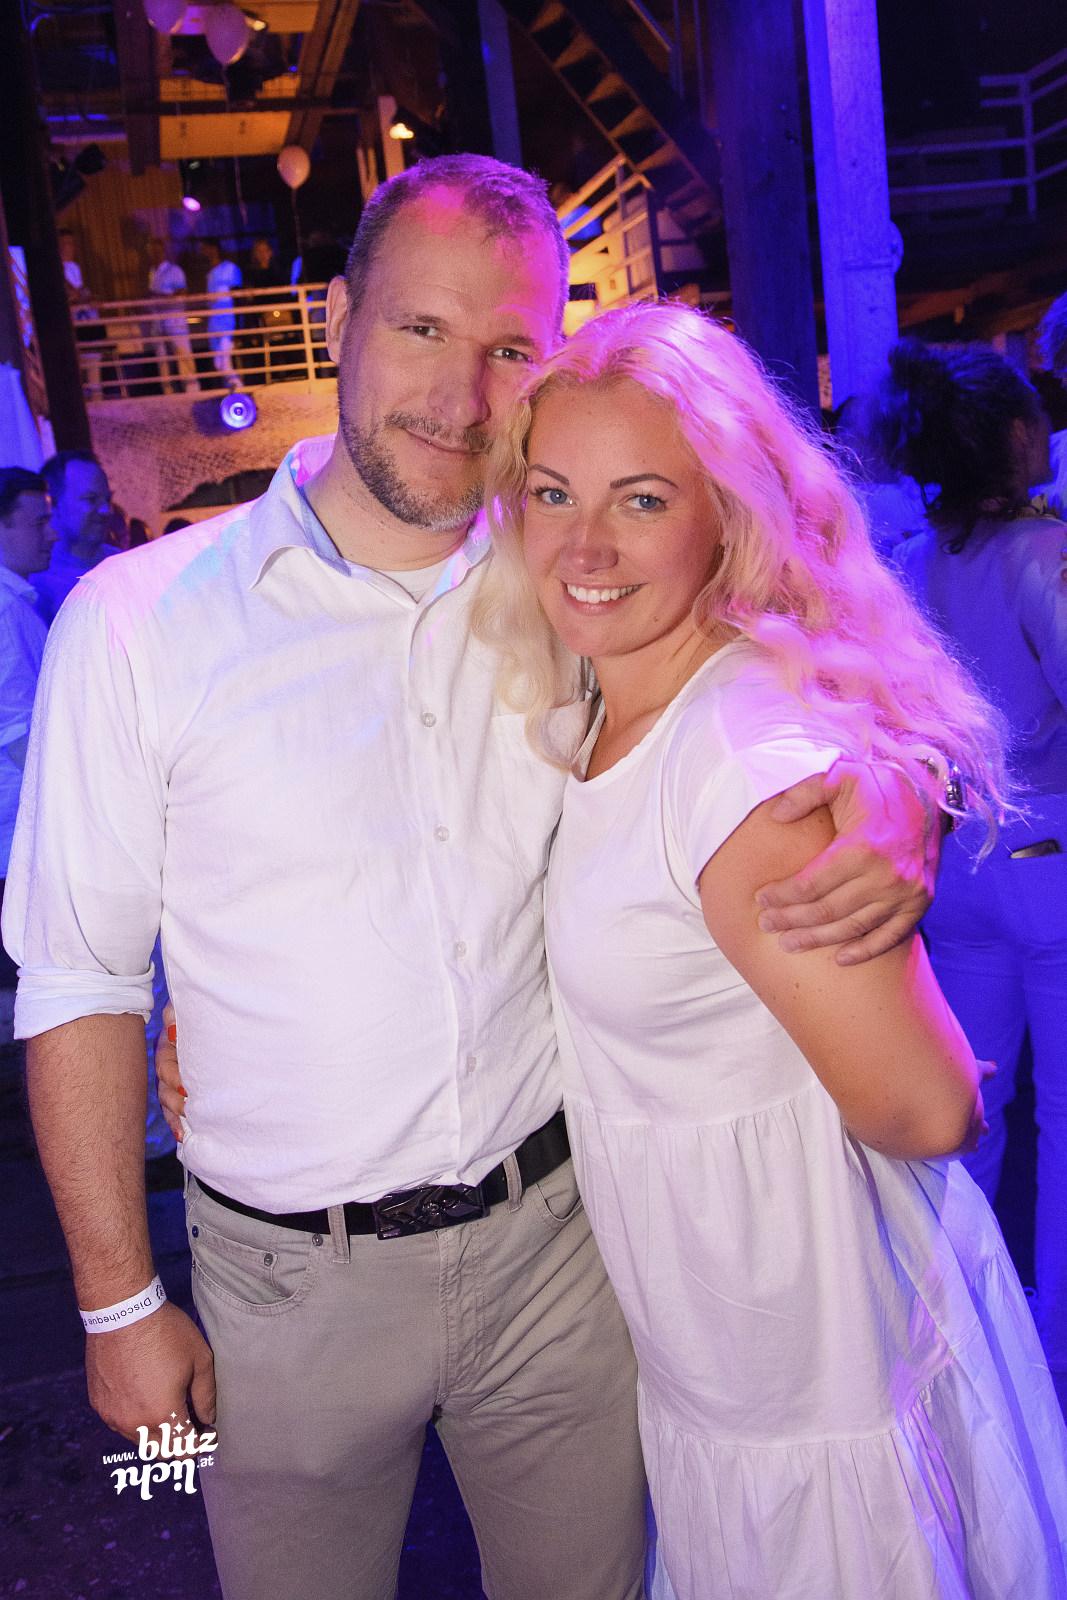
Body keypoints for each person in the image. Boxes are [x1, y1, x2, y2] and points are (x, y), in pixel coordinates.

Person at [6, 155, 938, 1600]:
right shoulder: (135, 625)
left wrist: (894, 791)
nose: (457, 394)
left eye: (508, 348)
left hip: (564, 1254)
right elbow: (79, 976)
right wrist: (118, 1307)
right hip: (278, 1291)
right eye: (420, 329)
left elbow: (788, 650)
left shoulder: (572, 579)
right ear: (337, 322)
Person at [472, 300, 1067, 1599]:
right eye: (551, 492)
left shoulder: (741, 764)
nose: (580, 544)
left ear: (727, 516)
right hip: (724, 1365)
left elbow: (926, 1106)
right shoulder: (605, 708)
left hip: (810, 1374)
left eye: (639, 500)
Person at [878, 338, 1067, 1413]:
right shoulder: (1042, 554)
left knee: (967, 1118)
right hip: (1052, 860)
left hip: (955, 866)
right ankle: (1052, 1361)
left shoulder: (908, 564)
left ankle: (954, 1355)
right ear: (1011, 434)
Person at [0, 468, 54, 983]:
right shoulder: (3, 611)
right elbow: (17, 735)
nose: (52, 534)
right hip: (16, 839)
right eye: (39, 523)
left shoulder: (14, 604)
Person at [30, 451, 116, 624]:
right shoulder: (36, 582)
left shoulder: (119, 562)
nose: (106, 510)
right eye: (91, 499)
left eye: (107, 499)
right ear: (53, 504)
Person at [145, 238, 199, 395]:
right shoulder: (152, 272)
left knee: (182, 355)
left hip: (174, 320)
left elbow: (182, 292)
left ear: (163, 251)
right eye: (152, 252)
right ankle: (168, 391)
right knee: (162, 358)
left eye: (157, 251)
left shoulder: (174, 270)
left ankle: (191, 390)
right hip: (157, 321)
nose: (154, 254)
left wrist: (160, 297)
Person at [201, 238, 243, 388]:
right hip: (214, 323)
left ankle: (238, 389)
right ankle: (233, 389)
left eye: (206, 248)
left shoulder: (229, 268)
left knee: (224, 361)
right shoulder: (209, 273)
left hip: (227, 322)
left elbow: (237, 296)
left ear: (215, 249)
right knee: (218, 363)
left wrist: (239, 324)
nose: (204, 252)